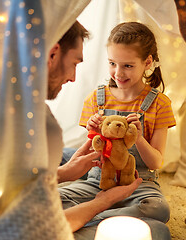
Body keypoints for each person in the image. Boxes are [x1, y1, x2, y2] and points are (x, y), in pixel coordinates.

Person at [59, 22, 176, 240]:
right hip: (99, 180)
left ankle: (90, 222)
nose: (118, 73)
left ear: (147, 62)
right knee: (53, 198)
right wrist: (94, 134)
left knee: (158, 209)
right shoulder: (96, 98)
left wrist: (138, 137)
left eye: (128, 66)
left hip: (139, 184)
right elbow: (92, 153)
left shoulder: (159, 103)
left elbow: (155, 163)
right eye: (112, 63)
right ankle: (108, 222)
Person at [47, 21, 143, 233]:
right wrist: (103, 201)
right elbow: (43, 229)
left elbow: (155, 160)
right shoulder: (43, 125)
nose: (73, 78)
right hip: (47, 227)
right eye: (74, 63)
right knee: (154, 231)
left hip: (125, 173)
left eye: (128, 65)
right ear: (53, 54)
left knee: (155, 212)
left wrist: (63, 173)